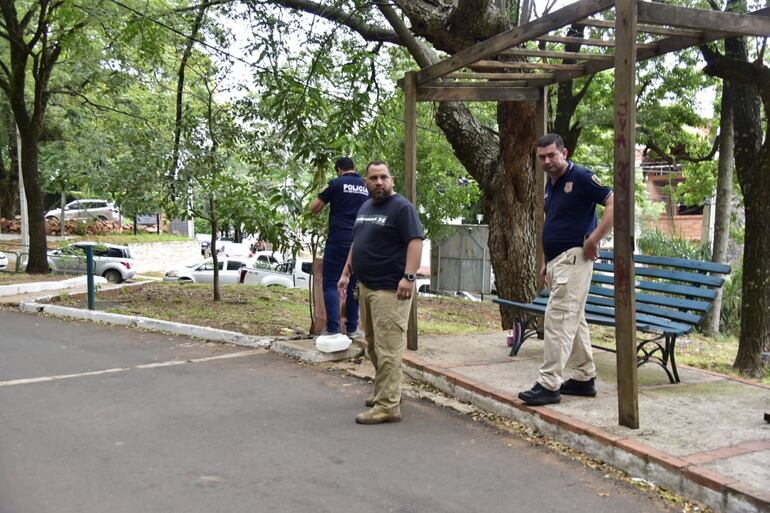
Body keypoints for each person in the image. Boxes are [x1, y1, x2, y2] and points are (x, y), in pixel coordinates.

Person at [518, 133, 614, 406]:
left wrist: (594, 239)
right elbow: (556, 222)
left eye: (551, 155)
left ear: (565, 152)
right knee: (575, 318)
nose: (547, 161)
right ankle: (584, 378)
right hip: (558, 262)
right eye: (541, 157)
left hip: (575, 258)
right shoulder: (551, 184)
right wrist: (546, 261)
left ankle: (549, 384)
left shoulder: (581, 177)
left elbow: (613, 202)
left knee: (558, 319)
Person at [338, 161, 424, 425]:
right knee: (374, 348)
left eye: (383, 177)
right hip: (366, 286)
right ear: (365, 181)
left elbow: (415, 242)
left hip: (391, 289)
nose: (379, 182)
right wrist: (346, 273)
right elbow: (357, 242)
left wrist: (409, 277)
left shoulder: (402, 207)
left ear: (392, 180)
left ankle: (388, 406)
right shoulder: (365, 207)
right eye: (373, 178)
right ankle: (386, 393)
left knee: (388, 349)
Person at [310, 157, 369, 340]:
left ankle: (333, 328)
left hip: (338, 240)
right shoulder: (367, 186)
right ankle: (352, 328)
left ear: (338, 170)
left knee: (330, 283)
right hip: (361, 241)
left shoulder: (335, 184)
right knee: (353, 286)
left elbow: (314, 208)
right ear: (354, 168)